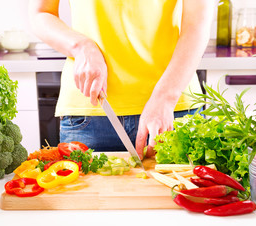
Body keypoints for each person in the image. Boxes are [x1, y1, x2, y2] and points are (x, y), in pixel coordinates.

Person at [29, 0, 216, 159]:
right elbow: (41, 14)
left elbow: (197, 24)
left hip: (171, 111)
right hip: (90, 111)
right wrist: (81, 47)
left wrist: (165, 97)